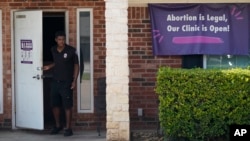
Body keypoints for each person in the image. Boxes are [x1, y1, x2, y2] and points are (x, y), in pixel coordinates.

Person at [43, 31, 79, 137]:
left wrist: (74, 81)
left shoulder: (71, 51)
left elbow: (76, 65)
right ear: (56, 40)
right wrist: (50, 66)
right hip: (55, 81)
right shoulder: (53, 50)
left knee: (67, 106)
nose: (61, 41)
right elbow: (58, 62)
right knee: (55, 105)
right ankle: (58, 126)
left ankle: (68, 128)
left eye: (63, 39)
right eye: (59, 39)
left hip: (66, 82)